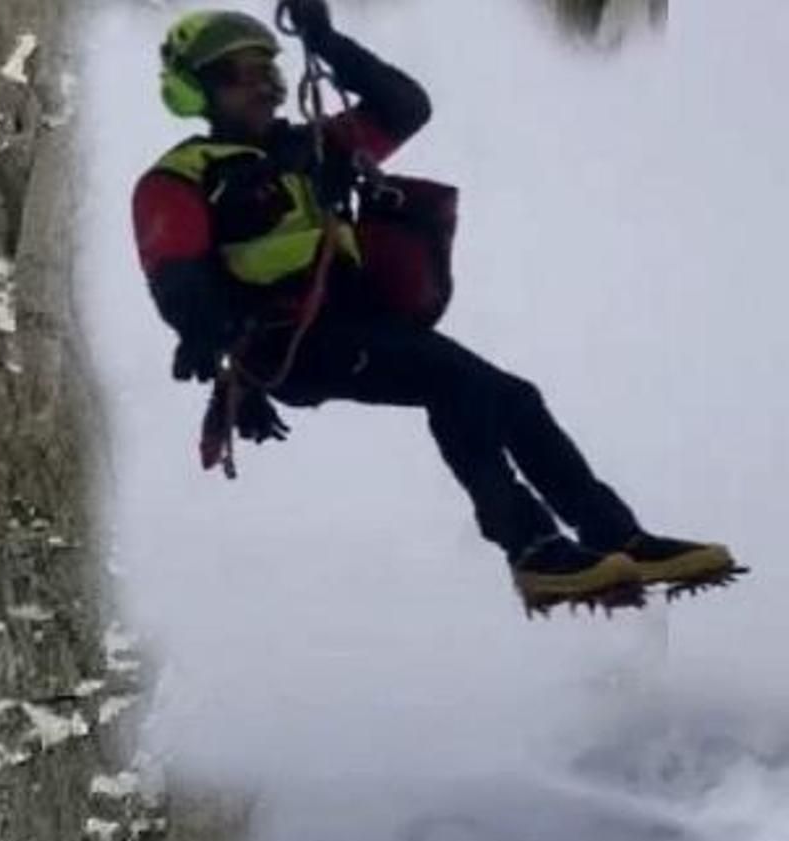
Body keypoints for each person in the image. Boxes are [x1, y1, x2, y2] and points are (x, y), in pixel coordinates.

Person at [134, 2, 739, 612]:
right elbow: (178, 276)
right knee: (456, 386)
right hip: (290, 341)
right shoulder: (183, 177)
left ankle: (615, 536)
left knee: (513, 398)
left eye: (267, 69)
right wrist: (210, 337)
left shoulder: (315, 147)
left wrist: (327, 41)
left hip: (358, 324)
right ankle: (532, 549)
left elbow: (405, 107)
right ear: (196, 91)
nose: (262, 85)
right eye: (237, 74)